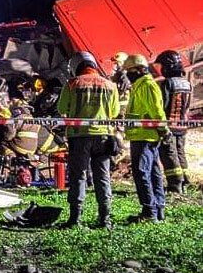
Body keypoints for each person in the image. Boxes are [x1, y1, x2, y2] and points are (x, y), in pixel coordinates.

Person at [57, 52, 120, 229]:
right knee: (103, 177)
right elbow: (114, 112)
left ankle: (75, 219)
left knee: (79, 176)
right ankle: (105, 219)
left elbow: (62, 108)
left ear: (76, 67)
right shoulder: (110, 85)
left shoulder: (72, 83)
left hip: (79, 137)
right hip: (104, 137)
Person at [124, 54, 169, 222]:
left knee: (142, 172)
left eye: (130, 71)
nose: (128, 74)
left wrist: (163, 130)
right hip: (142, 135)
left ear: (139, 70)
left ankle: (150, 211)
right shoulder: (139, 85)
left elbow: (157, 111)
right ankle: (158, 209)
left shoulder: (147, 85)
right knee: (153, 173)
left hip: (145, 136)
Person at [155, 50, 192, 193]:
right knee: (180, 152)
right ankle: (186, 180)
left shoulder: (167, 83)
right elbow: (187, 106)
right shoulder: (187, 83)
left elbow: (162, 105)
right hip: (182, 126)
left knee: (169, 154)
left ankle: (175, 184)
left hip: (169, 126)